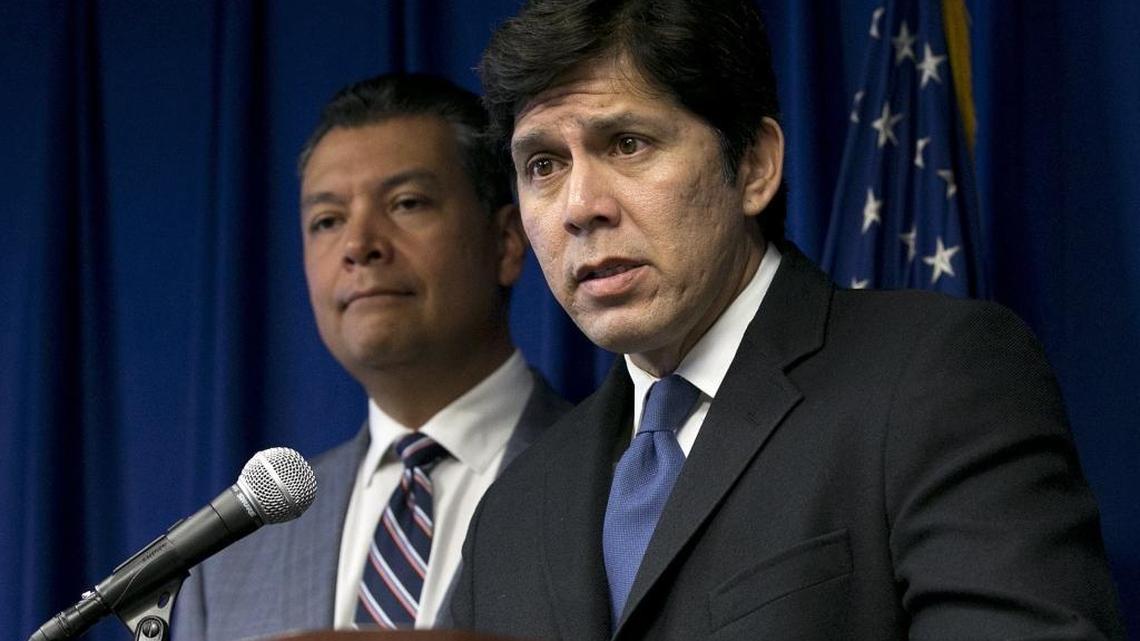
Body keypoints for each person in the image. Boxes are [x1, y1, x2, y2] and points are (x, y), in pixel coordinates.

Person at [450, 1, 1126, 640]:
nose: (579, 206)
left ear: (754, 166)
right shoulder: (511, 512)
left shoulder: (938, 379)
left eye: (628, 143)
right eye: (543, 164)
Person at [172, 72, 569, 639]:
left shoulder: (622, 481)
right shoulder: (228, 565)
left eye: (406, 204)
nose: (359, 245)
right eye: (327, 221)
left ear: (506, 242)